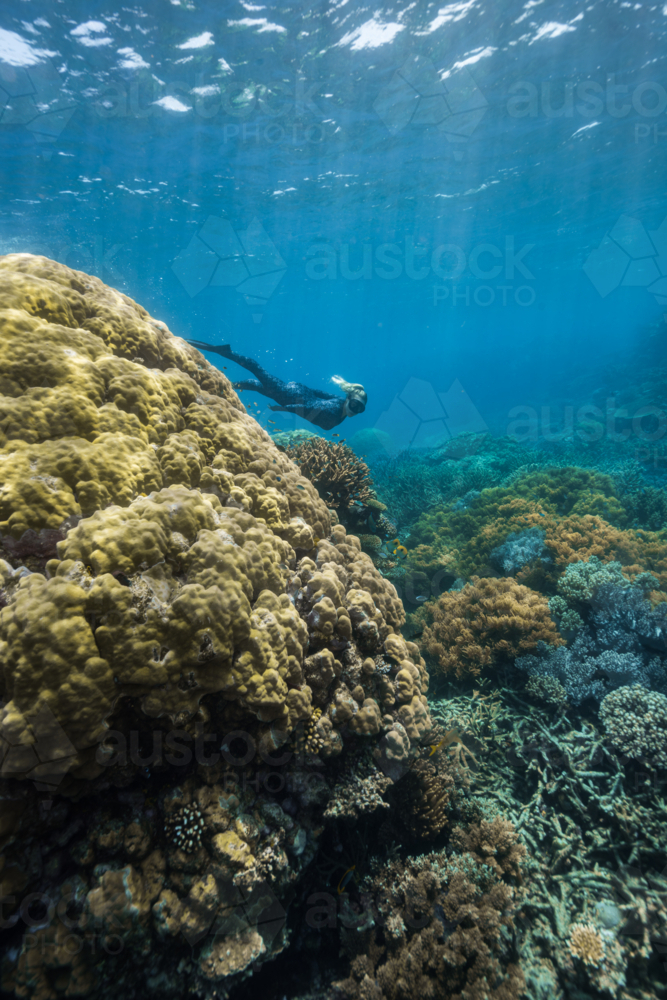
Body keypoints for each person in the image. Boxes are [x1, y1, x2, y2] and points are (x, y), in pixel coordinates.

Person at [186, 341, 367, 431]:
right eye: (354, 404)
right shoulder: (334, 414)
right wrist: (281, 408)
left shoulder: (338, 405)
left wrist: (302, 392)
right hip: (287, 395)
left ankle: (227, 385)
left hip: (293, 392)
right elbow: (305, 408)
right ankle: (225, 352)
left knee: (257, 384)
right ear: (348, 399)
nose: (354, 410)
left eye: (359, 409)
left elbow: (316, 396)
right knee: (258, 370)